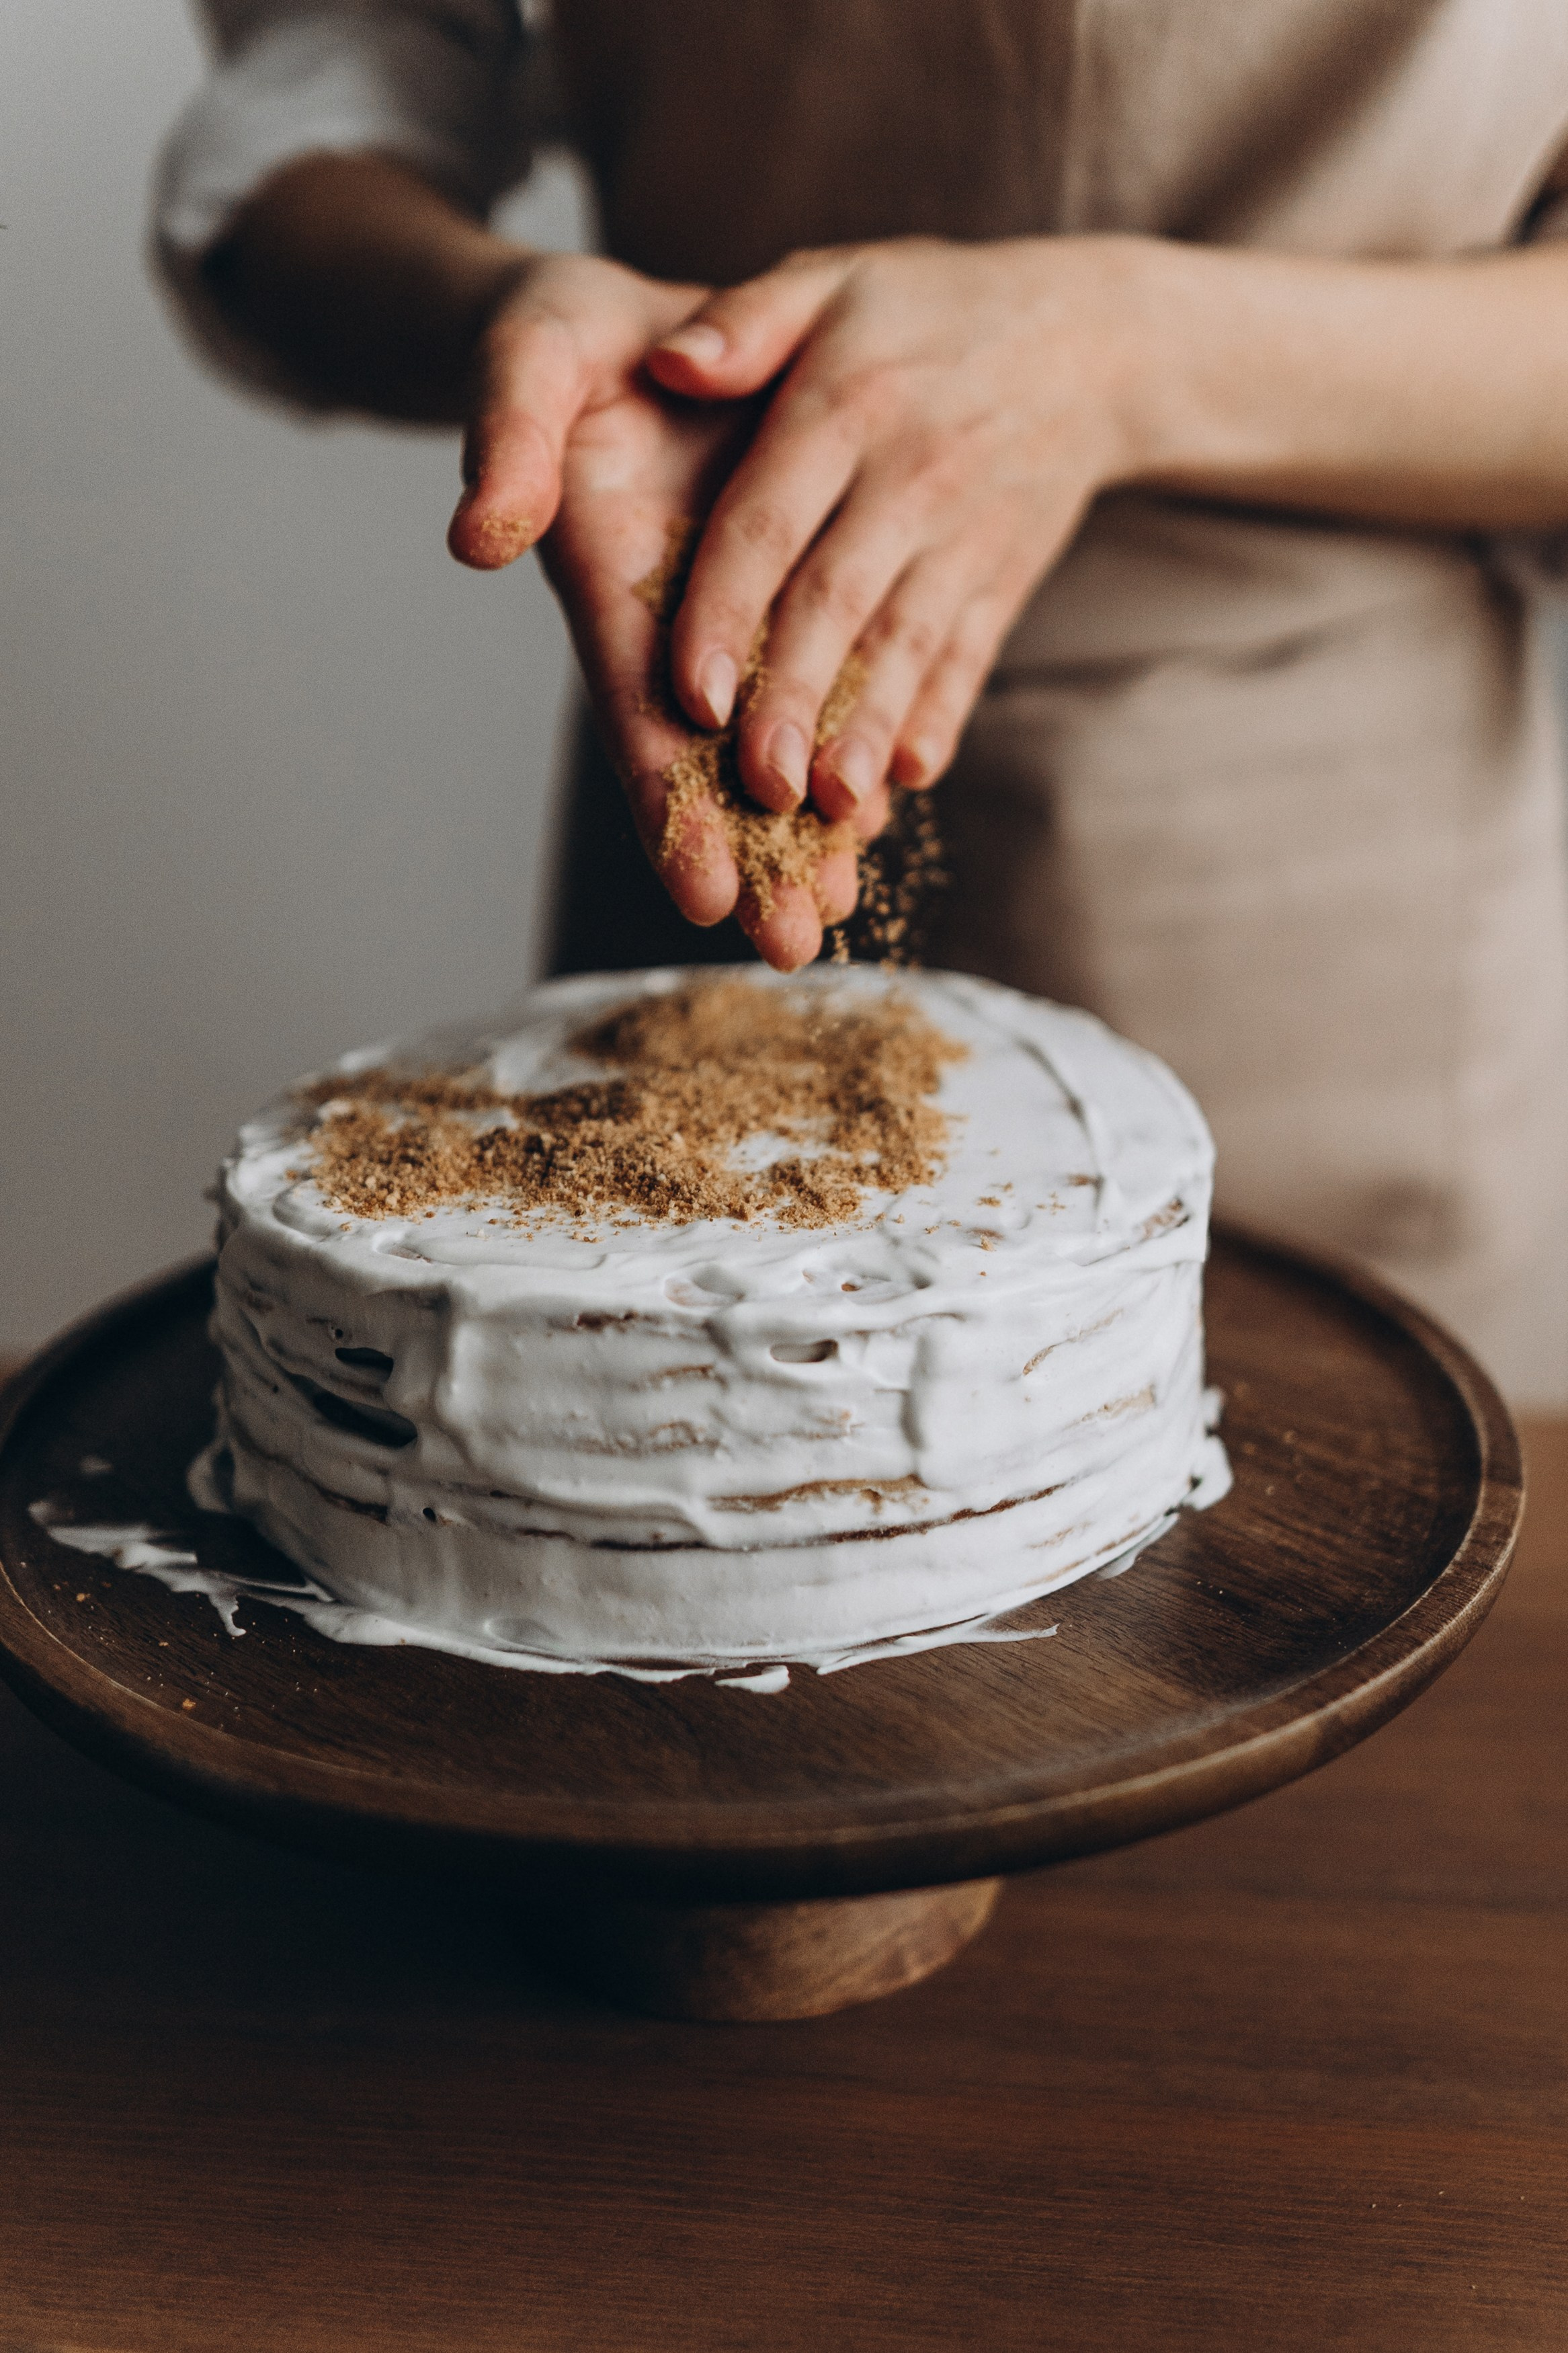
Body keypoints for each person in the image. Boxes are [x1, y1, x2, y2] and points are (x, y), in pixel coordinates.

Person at [155, 1, 1568, 1404]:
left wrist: (1119, 354)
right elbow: (324, 104)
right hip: (706, 719)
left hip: (1343, 891)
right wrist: (502, 314)